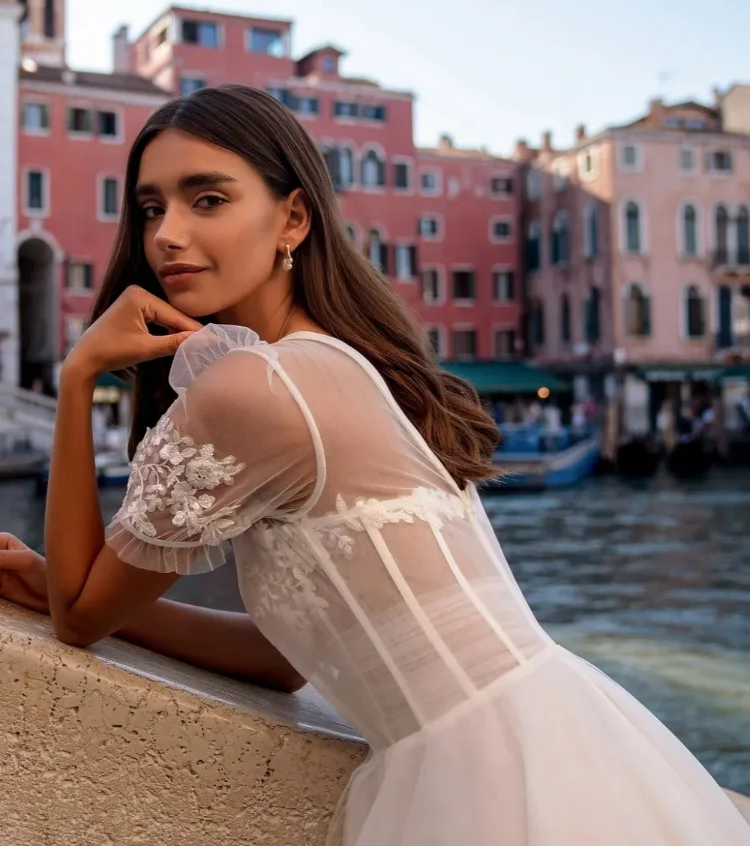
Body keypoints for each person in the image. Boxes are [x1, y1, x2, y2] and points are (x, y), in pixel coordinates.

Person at [0, 85, 747, 846]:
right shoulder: (348, 365)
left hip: (482, 783)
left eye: (208, 199)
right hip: (564, 739)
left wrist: (76, 375)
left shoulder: (253, 386)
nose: (167, 235)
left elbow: (80, 616)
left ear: (292, 218)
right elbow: (289, 660)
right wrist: (92, 596)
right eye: (153, 208)